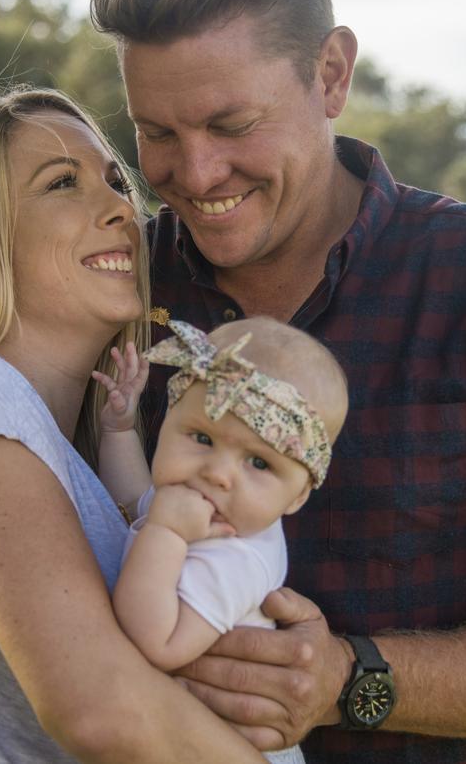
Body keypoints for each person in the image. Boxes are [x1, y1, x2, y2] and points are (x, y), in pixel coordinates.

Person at [0, 0, 466, 762]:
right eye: (155, 135)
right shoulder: (110, 296)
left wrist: (357, 680)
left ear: (330, 74)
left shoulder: (463, 279)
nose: (195, 175)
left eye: (231, 124)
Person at [0, 87, 270, 764]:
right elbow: (101, 710)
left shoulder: (82, 462)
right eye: (62, 183)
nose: (123, 207)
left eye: (116, 181)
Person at [93, 315, 349, 764]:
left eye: (259, 463)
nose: (218, 472)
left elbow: (157, 643)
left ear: (299, 495)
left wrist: (167, 534)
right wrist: (118, 431)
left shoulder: (236, 558)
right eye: (201, 437)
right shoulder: (197, 506)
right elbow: (136, 502)